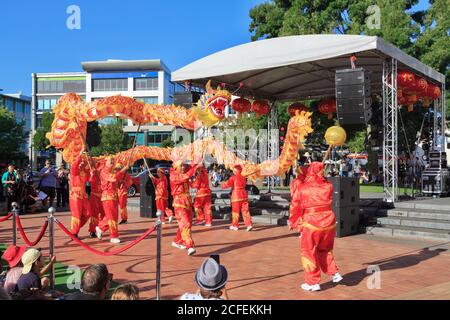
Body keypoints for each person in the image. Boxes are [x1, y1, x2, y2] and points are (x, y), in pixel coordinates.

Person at [294, 162, 343, 291]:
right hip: (328, 222)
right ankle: (334, 273)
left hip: (312, 222)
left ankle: (312, 282)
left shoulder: (303, 188)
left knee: (308, 251)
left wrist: (295, 222)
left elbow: (295, 206)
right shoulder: (328, 186)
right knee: (325, 249)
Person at [170, 161, 201, 256]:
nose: (183, 167)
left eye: (184, 165)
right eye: (181, 166)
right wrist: (195, 167)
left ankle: (177, 241)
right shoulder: (173, 175)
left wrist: (197, 165)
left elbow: (191, 178)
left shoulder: (183, 174)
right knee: (186, 224)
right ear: (176, 167)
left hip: (187, 201)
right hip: (179, 203)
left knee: (186, 224)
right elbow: (186, 176)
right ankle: (189, 246)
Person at [95, 157, 128, 244]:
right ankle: (113, 236)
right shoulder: (104, 171)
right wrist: (123, 170)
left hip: (113, 196)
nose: (112, 162)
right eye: (111, 160)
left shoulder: (112, 171)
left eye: (113, 160)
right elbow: (113, 178)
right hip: (107, 197)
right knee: (112, 218)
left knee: (112, 216)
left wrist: (121, 181)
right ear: (105, 162)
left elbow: (116, 181)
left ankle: (101, 228)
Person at [221, 165, 253, 231]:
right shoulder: (243, 177)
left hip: (236, 195)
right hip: (244, 195)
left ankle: (235, 225)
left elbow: (227, 184)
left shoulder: (233, 177)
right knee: (245, 211)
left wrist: (222, 185)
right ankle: (249, 224)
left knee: (235, 211)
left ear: (234, 170)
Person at [69, 153, 91, 238]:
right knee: (76, 214)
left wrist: (90, 166)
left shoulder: (84, 171)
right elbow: (75, 165)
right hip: (75, 195)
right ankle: (74, 232)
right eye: (81, 161)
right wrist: (80, 154)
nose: (82, 163)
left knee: (88, 213)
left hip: (83, 194)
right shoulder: (74, 170)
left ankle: (75, 228)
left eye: (83, 161)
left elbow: (90, 179)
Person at [88, 161, 104, 238]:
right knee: (94, 215)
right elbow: (90, 182)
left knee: (104, 214)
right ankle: (92, 230)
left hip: (103, 196)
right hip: (94, 196)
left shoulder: (104, 172)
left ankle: (100, 228)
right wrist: (92, 174)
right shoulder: (93, 172)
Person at [288, 166, 307, 233]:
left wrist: (293, 197)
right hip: (303, 200)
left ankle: (292, 224)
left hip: (295, 200)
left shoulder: (296, 181)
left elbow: (292, 191)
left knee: (295, 214)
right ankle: (301, 230)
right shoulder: (306, 181)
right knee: (302, 215)